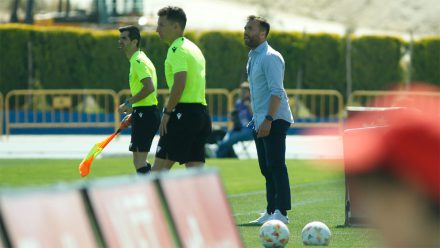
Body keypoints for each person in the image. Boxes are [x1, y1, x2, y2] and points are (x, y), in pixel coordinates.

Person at [244, 15, 294, 225]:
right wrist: (258, 119)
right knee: (266, 167)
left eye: (250, 29)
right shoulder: (253, 55)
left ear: (262, 33)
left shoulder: (271, 56)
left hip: (274, 119)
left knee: (276, 165)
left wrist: (268, 119)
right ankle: (271, 209)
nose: (245, 32)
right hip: (261, 120)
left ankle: (281, 212)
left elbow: (277, 92)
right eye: (245, 28)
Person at [152, 6, 212, 171]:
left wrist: (167, 112)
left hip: (182, 115)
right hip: (201, 115)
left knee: (158, 173)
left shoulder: (176, 49)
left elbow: (180, 82)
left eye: (161, 25)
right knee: (195, 174)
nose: (157, 30)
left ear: (176, 27)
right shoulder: (194, 48)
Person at [118, 25, 160, 175]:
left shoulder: (138, 61)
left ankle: (155, 191)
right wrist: (135, 112)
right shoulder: (137, 59)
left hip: (146, 113)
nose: (120, 41)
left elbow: (149, 87)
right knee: (139, 160)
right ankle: (154, 187)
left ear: (134, 42)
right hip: (143, 112)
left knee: (139, 161)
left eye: (124, 38)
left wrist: (129, 103)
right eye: (120, 38)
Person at [216, 81, 253, 158]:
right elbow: (232, 116)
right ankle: (231, 157)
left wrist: (249, 106)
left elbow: (256, 116)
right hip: (238, 128)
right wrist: (232, 115)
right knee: (225, 140)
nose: (242, 94)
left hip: (249, 130)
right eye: (241, 91)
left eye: (245, 92)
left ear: (250, 93)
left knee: (229, 141)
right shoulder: (238, 103)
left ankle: (218, 156)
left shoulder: (253, 102)